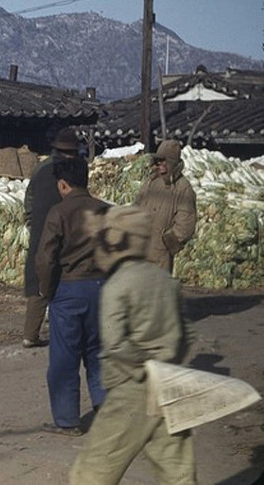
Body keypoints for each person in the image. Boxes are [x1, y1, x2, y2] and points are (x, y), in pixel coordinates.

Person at [69, 205, 195, 484]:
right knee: (178, 473)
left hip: (132, 391)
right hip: (170, 387)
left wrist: (143, 365)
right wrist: (167, 361)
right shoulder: (166, 280)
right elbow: (188, 335)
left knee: (92, 472)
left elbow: (114, 343)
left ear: (115, 240)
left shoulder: (118, 285)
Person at [35, 156, 109, 436]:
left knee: (65, 358)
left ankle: (67, 420)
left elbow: (45, 258)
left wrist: (47, 289)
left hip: (69, 289)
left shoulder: (60, 212)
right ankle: (105, 406)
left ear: (63, 184)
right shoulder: (105, 210)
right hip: (102, 287)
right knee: (99, 351)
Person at [22, 127, 79, 348]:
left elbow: (29, 197)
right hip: (63, 229)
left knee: (39, 278)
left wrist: (30, 220)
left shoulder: (41, 168)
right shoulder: (72, 170)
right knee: (63, 277)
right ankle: (62, 332)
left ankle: (30, 334)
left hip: (40, 230)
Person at [135, 139, 197, 272]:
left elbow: (186, 224)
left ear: (173, 162)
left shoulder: (182, 188)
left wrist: (165, 243)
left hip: (160, 255)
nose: (160, 164)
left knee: (157, 290)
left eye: (164, 160)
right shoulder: (151, 181)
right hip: (139, 248)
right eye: (158, 160)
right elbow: (137, 205)